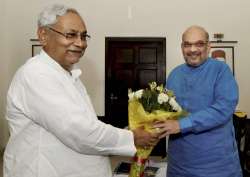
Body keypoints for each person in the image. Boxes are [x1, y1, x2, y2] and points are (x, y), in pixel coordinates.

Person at [3, 4, 159, 177]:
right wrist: (132, 137)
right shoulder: (36, 74)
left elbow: (87, 124)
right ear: (43, 35)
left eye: (83, 36)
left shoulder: (67, 75)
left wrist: (128, 130)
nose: (80, 43)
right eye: (70, 35)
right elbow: (79, 131)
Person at [154, 25, 242, 177]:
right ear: (182, 47)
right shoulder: (174, 75)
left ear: (209, 46)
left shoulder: (221, 70)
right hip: (178, 166)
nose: (193, 49)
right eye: (187, 44)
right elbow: (168, 111)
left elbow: (223, 109)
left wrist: (181, 125)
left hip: (216, 167)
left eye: (199, 44)